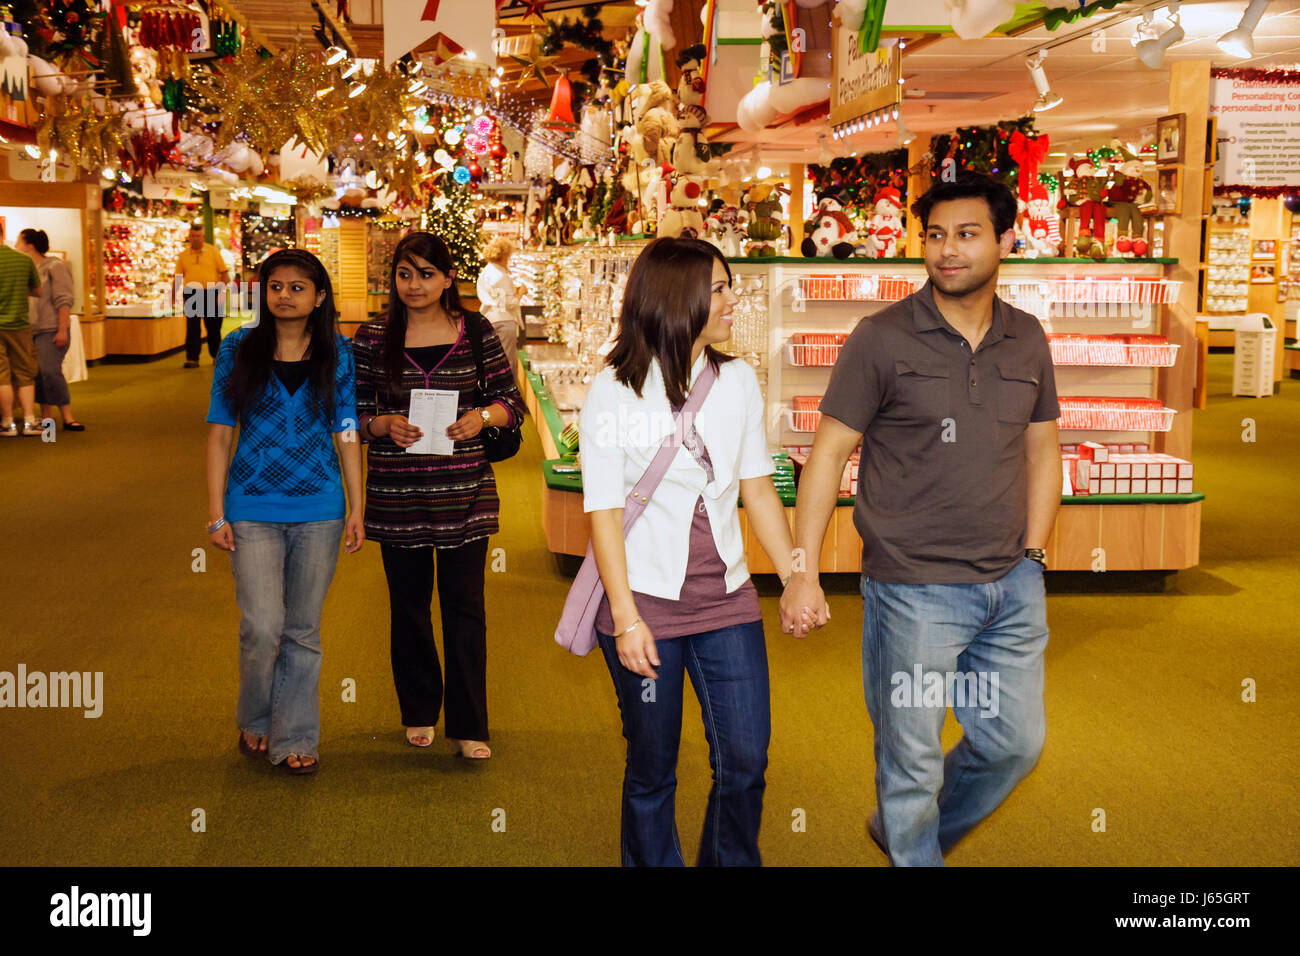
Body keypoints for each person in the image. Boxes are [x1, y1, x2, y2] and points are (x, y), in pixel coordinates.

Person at [781, 172, 1061, 866]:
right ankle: (913, 843)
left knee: (1014, 745)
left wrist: (1033, 555)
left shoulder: (1027, 339)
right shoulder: (880, 339)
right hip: (912, 592)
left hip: (1010, 586)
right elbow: (827, 457)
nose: (947, 251)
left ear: (1006, 241)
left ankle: (912, 835)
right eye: (935, 236)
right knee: (911, 767)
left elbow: (1043, 447)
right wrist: (802, 571)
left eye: (967, 235)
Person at [579, 237, 821, 866]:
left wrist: (798, 573)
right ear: (676, 297)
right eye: (718, 288)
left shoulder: (738, 379)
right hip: (645, 605)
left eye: (729, 285)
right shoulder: (613, 388)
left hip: (728, 599)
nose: (732, 299)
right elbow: (603, 511)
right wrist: (626, 617)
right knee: (653, 765)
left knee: (745, 760)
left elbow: (756, 485)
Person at [353, 233, 525, 759]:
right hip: (398, 496)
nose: (415, 285)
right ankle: (419, 709)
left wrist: (481, 417)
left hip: (464, 494)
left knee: (464, 608)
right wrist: (382, 423)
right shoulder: (371, 336)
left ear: (450, 278)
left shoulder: (475, 332)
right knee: (408, 609)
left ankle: (470, 723)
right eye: (405, 274)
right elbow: (351, 415)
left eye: (427, 274)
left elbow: (510, 402)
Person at [205, 249, 365, 774]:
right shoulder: (236, 349)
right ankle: (254, 717)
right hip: (250, 505)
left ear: (319, 296)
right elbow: (219, 432)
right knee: (262, 625)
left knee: (302, 629)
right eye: (276, 286)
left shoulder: (339, 354)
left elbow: (348, 433)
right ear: (263, 293)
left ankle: (295, 734)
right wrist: (215, 512)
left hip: (320, 506)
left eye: (298, 287)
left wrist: (356, 507)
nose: (285, 296)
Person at [16, 229, 83, 431]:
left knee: (50, 371)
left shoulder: (55, 266)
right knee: (37, 374)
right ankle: (46, 416)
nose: (16, 245)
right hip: (31, 330)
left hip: (52, 328)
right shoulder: (27, 267)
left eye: (19, 241)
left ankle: (67, 415)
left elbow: (64, 300)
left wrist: (62, 330)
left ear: (30, 244)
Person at [0, 219, 41, 436]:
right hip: (20, 325)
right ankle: (29, 421)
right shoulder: (23, 260)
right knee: (25, 374)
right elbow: (38, 291)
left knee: (1, 376)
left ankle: (7, 423)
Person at [178, 220, 231, 369]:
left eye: (199, 236)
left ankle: (216, 356)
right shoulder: (183, 256)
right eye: (193, 236)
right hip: (191, 293)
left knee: (213, 326)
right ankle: (192, 358)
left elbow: (224, 274)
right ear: (189, 237)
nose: (196, 238)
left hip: (212, 292)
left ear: (203, 237)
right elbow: (178, 276)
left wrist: (221, 292)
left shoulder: (213, 252)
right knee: (193, 327)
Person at [476, 237, 525, 380]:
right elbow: (509, 302)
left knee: (493, 361)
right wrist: (521, 291)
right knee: (507, 363)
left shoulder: (487, 271)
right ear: (504, 256)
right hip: (504, 321)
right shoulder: (501, 275)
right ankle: (507, 396)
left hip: (490, 318)